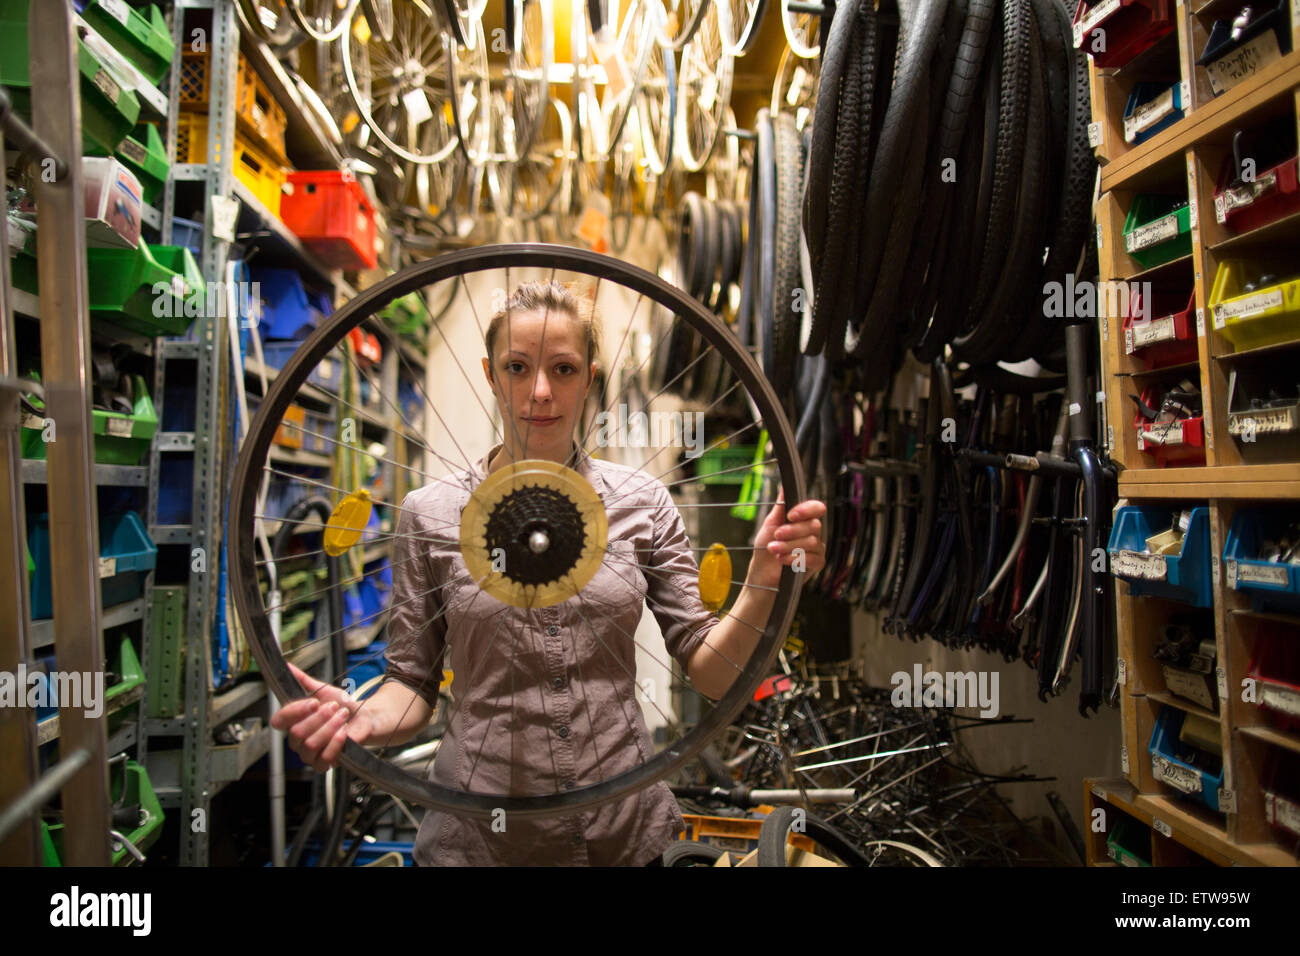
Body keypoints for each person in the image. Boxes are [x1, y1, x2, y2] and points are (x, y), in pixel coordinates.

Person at [272, 280, 827, 865]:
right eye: (517, 367)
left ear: (589, 377)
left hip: (623, 831)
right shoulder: (430, 514)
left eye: (562, 369)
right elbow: (411, 684)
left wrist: (766, 576)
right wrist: (362, 718)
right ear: (490, 374)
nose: (540, 391)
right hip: (480, 839)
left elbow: (713, 674)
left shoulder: (642, 502)